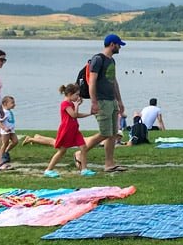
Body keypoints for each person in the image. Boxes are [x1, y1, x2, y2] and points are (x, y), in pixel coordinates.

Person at [80, 34, 128, 173]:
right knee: (104, 133)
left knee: (113, 133)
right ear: (112, 44)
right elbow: (92, 82)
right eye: (119, 45)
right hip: (101, 101)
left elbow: (113, 82)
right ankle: (80, 153)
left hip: (111, 100)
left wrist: (119, 101)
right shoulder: (98, 59)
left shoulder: (112, 61)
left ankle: (109, 164)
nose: (120, 47)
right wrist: (94, 102)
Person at [44, 84, 96, 178]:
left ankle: (84, 170)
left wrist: (89, 114)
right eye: (76, 95)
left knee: (83, 148)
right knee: (62, 151)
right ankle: (48, 170)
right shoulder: (65, 104)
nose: (78, 97)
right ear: (69, 94)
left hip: (74, 130)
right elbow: (73, 115)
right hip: (67, 131)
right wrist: (77, 105)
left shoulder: (71, 103)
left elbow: (77, 115)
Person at [0, 95, 18, 163]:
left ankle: (6, 152)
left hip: (11, 130)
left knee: (15, 141)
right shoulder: (4, 112)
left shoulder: (9, 111)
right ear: (5, 104)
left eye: (14, 103)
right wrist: (4, 128)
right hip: (5, 131)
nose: (14, 104)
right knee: (5, 144)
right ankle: (1, 157)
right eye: (12, 103)